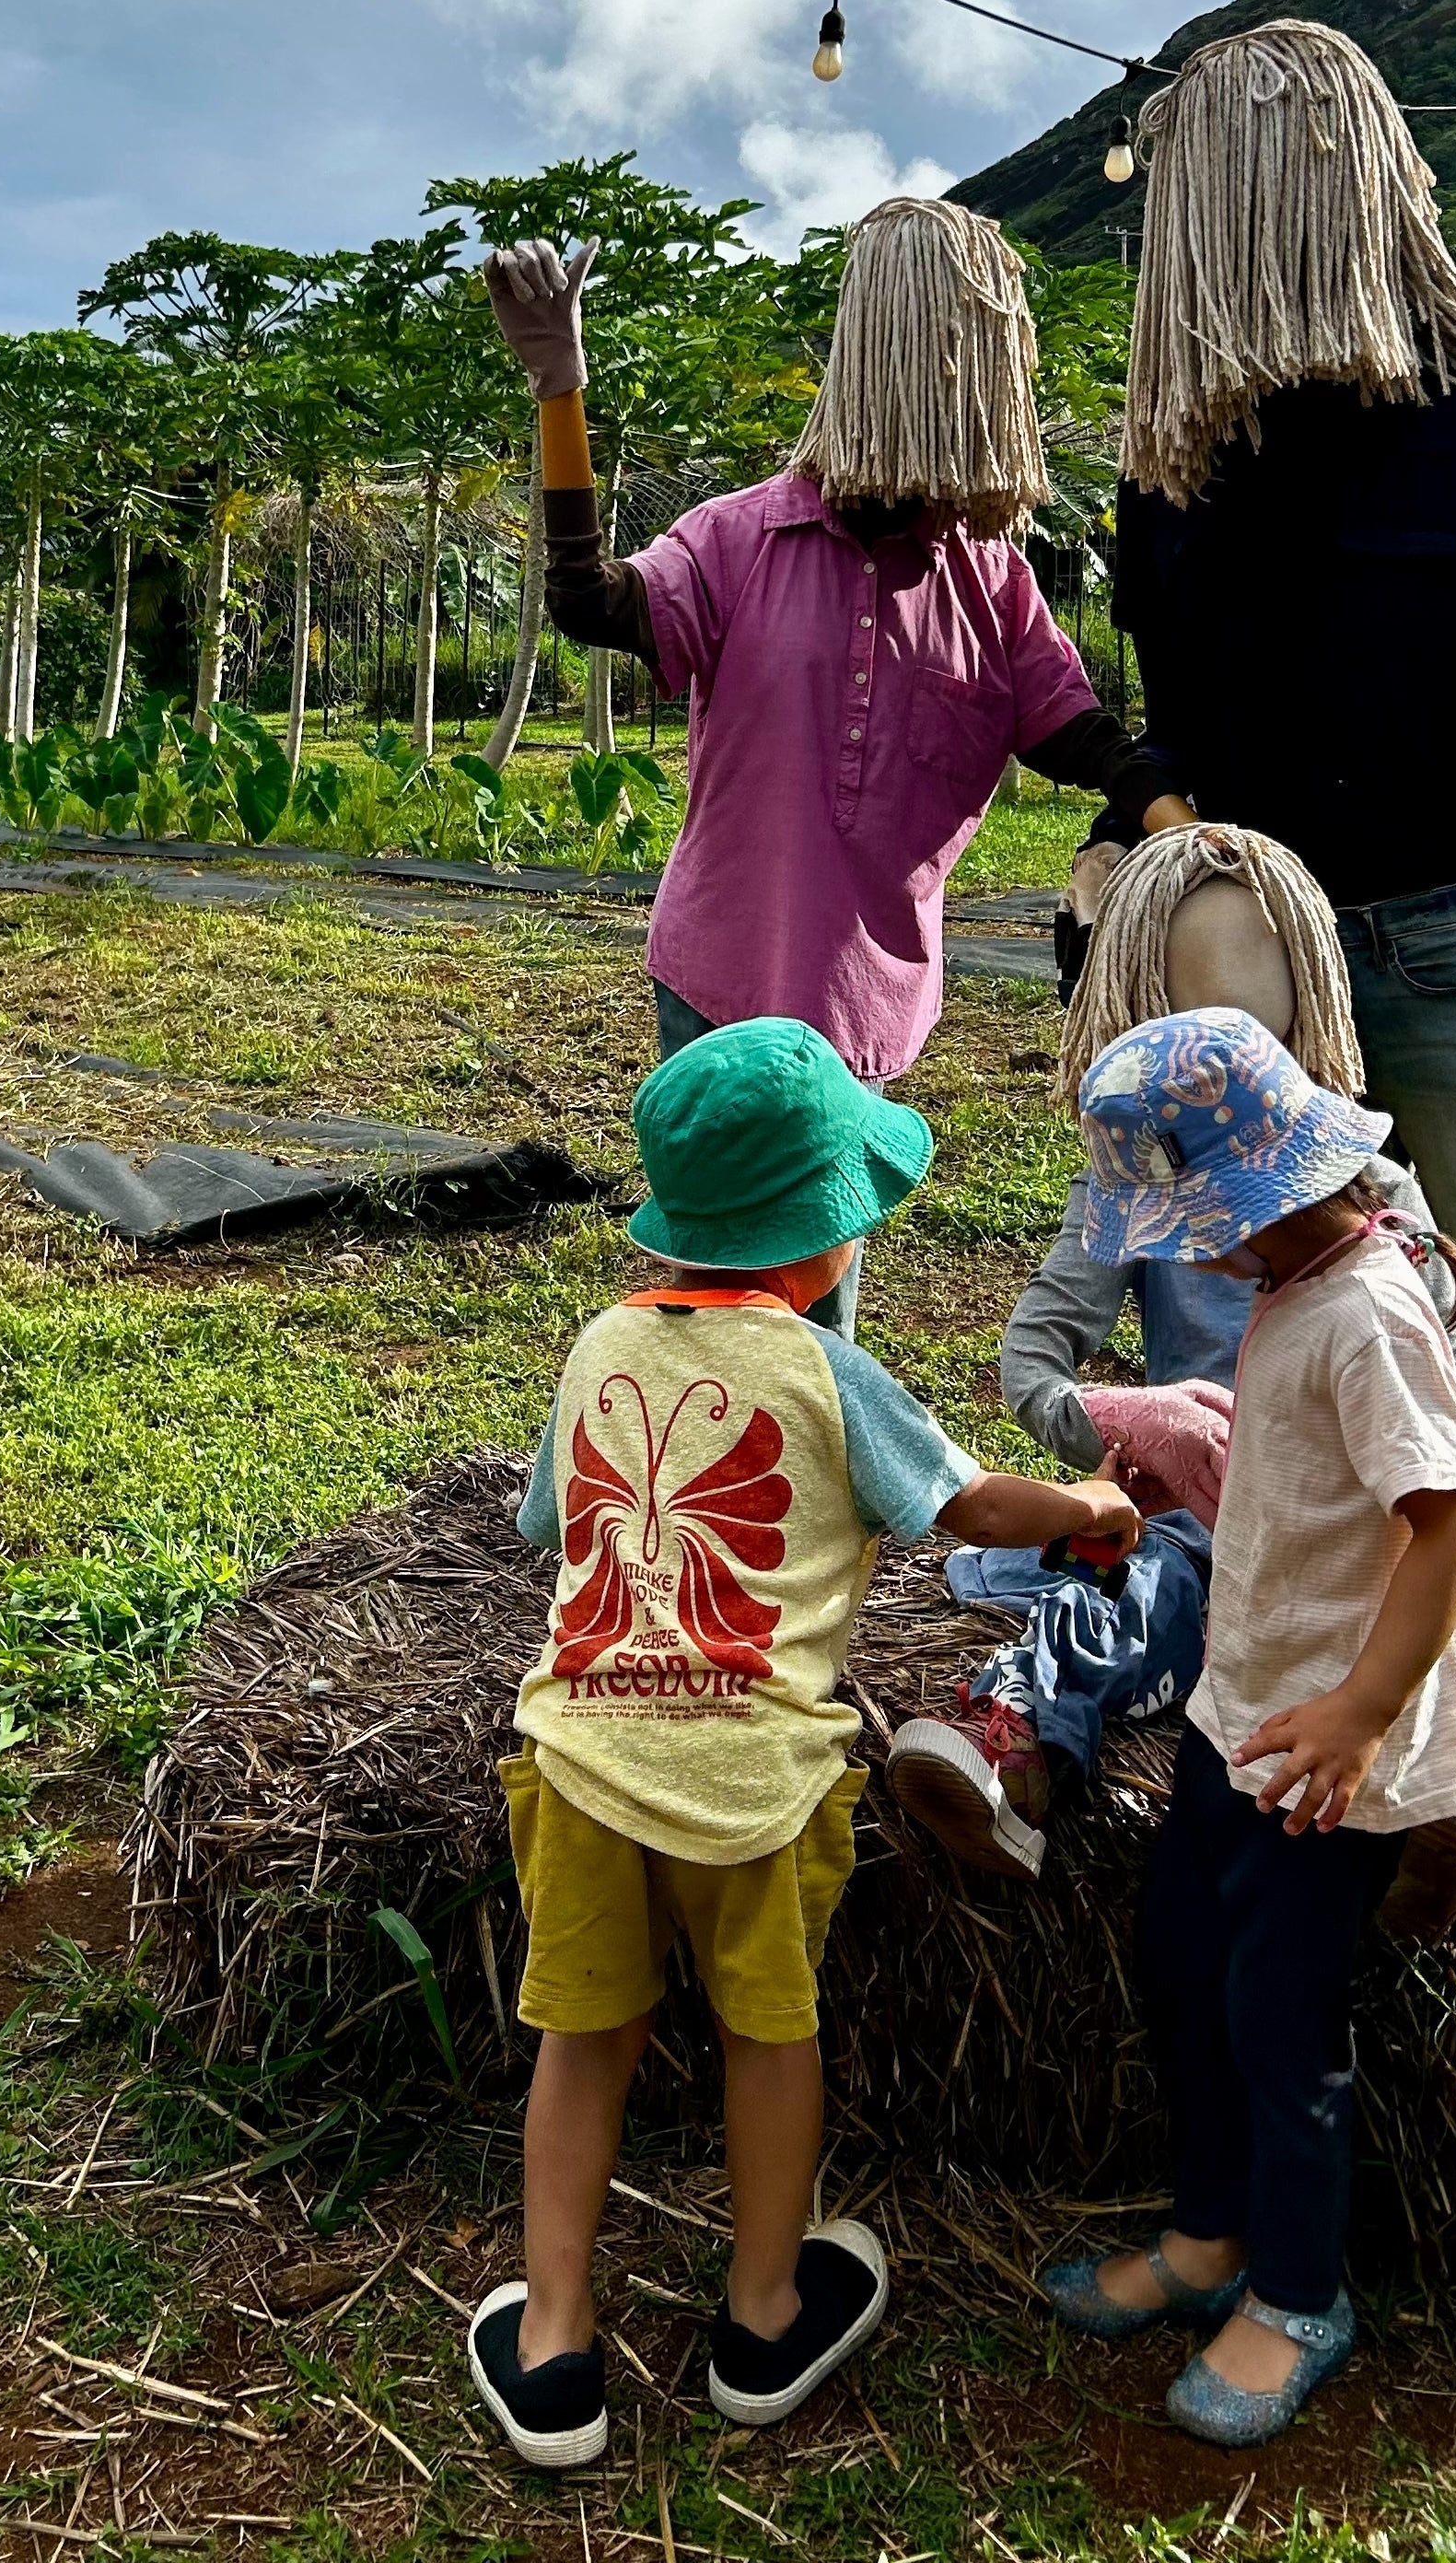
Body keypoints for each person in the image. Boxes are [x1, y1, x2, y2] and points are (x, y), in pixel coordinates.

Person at [467, 1015, 1139, 2472]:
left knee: (581, 2041)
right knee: (772, 2038)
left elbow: (544, 1525)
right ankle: (764, 2315)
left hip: (581, 1762)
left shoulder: (595, 1348)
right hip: (755, 1785)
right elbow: (971, 1512)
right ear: (828, 1235)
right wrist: (1089, 1508)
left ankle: (553, 2346)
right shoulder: (830, 1377)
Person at [1090, 18, 1456, 1585]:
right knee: (1231, 1347)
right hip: (1239, 966)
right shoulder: (1169, 468)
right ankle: (1243, 1671)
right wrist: (1127, 830)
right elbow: (1175, 726)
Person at [483, 195, 1185, 1334]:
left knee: (816, 1310)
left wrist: (1170, 813)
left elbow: (1070, 728)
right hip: (718, 980)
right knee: (712, 1300)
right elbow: (588, 602)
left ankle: (800, 1502)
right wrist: (560, 390)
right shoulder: (740, 536)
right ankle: (691, 1493)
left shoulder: (987, 577)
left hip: (861, 1006)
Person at [883, 823, 1456, 1950]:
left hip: (1347, 1519)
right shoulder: (1137, 1178)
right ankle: (1016, 1731)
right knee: (1138, 1589)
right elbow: (1033, 1357)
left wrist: (1365, 1463)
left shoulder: (1378, 1203)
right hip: (1205, 1517)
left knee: (1383, 1613)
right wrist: (1136, 1427)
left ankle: (1423, 1795)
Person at [1036, 1007, 1456, 2451]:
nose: (1186, 1253)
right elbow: (1316, 1476)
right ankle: (1209, 2234)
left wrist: (1364, 1713)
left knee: (1279, 2019)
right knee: (1185, 1961)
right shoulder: (1303, 1286)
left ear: (1259, 1198)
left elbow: (1448, 1524)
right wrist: (1195, 1486)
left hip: (1325, 1744)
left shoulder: (1368, 1312)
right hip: (1247, 1715)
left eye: (1190, 1222)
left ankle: (1300, 2291)